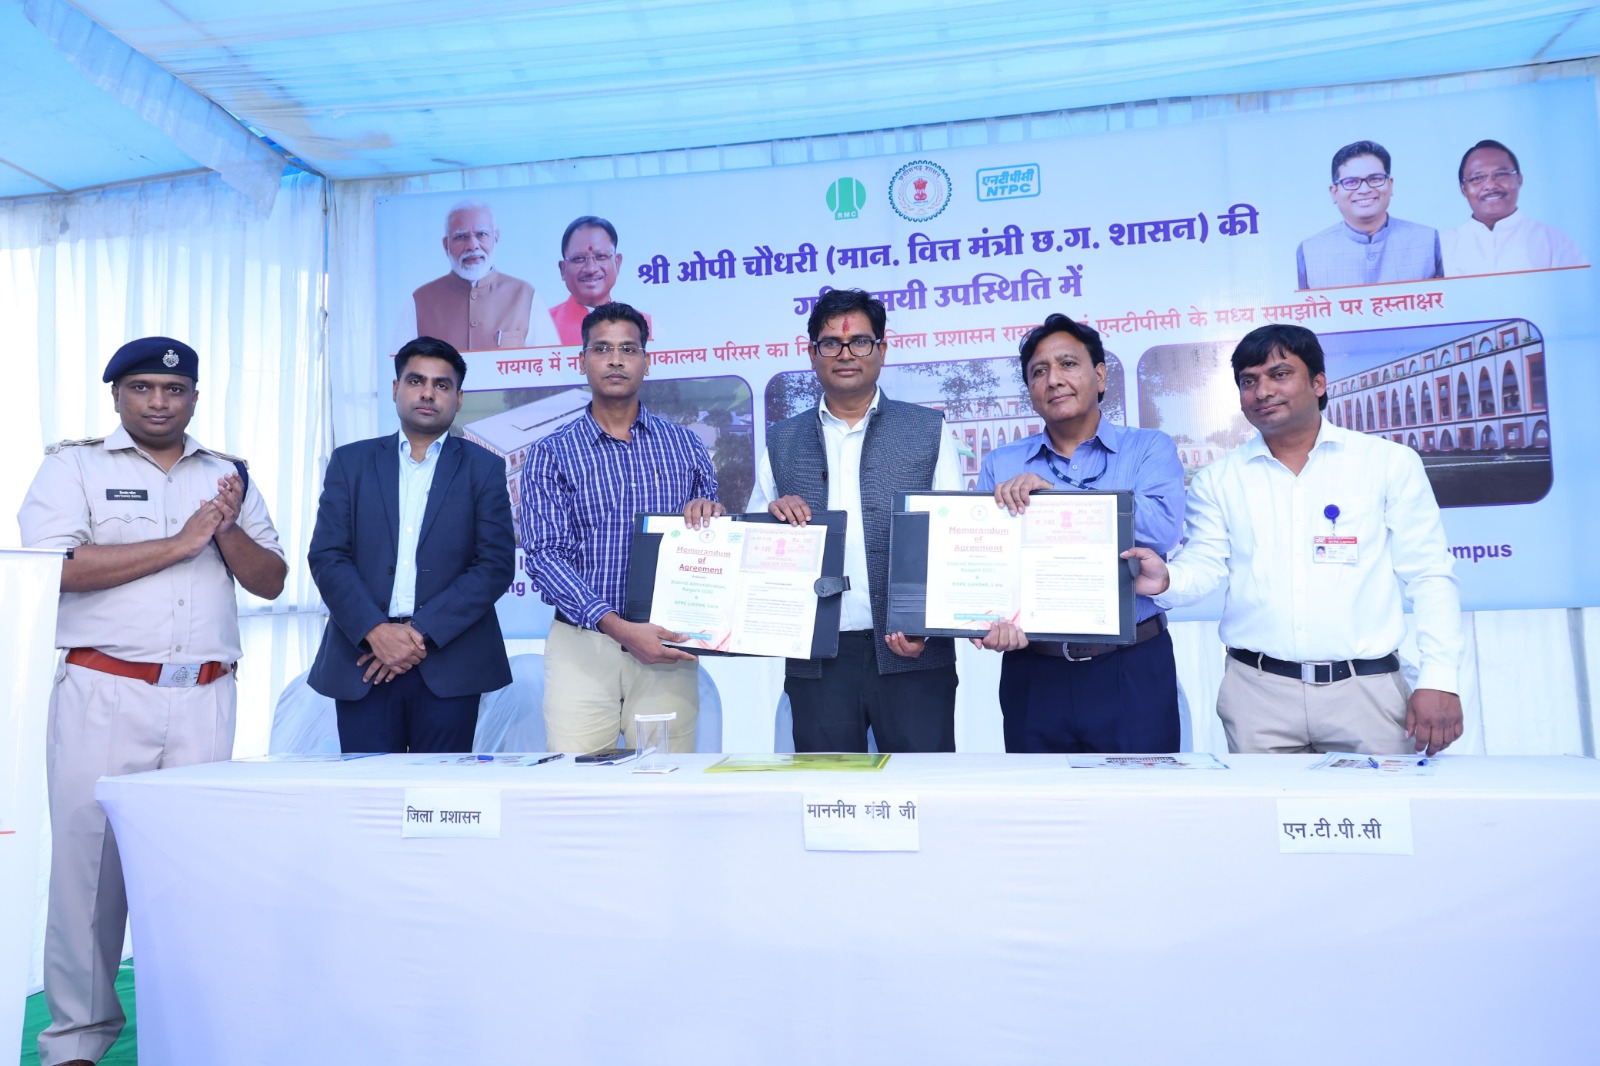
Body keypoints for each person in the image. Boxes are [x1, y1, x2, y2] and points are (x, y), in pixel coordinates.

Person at [18, 336, 287, 1066]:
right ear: (116, 396)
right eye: (142, 388)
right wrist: (179, 541)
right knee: (90, 876)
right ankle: (75, 1043)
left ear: (194, 397)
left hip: (204, 694)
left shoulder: (228, 474)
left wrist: (225, 531)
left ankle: (189, 1036)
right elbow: (55, 569)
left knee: (193, 871)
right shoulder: (73, 466)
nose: (159, 402)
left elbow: (270, 581)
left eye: (174, 390)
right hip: (106, 690)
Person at [1124, 323, 1464, 757]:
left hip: (1367, 691)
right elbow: (1205, 564)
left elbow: (1430, 574)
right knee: (1264, 805)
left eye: (1280, 374)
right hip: (1257, 696)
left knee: (1382, 804)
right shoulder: (1219, 480)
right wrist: (1167, 580)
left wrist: (1440, 678)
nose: (1262, 391)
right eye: (1249, 381)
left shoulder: (1387, 463)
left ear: (1318, 383)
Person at [750, 288, 964, 753]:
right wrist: (772, 520)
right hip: (818, 659)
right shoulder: (782, 440)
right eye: (831, 343)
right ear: (812, 354)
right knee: (827, 788)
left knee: (923, 785)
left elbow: (956, 539)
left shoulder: (927, 430)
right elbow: (753, 545)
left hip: (914, 650)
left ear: (882, 350)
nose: (845, 354)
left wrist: (928, 626)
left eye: (860, 342)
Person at [975, 315, 1185, 753]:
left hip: (1131, 666)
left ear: (1100, 375)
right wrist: (984, 619)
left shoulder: (1149, 448)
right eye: (1039, 371)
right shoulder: (1002, 464)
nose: (1054, 379)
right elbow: (988, 563)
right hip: (1034, 670)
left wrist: (1053, 501)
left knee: (1143, 794)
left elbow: (1161, 530)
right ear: (1030, 390)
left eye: (1068, 364)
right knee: (1040, 795)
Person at [519, 302, 717, 753]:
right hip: (582, 646)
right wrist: (616, 625)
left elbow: (709, 526)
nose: (615, 360)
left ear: (646, 361)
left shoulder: (685, 446)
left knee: (665, 780)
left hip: (667, 645)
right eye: (602, 349)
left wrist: (711, 515)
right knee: (577, 780)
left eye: (628, 349)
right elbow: (545, 556)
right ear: (582, 360)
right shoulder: (551, 453)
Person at [307, 336, 515, 753]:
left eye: (442, 385)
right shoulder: (351, 462)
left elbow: (494, 565)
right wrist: (376, 632)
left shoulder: (483, 468)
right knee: (368, 786)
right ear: (395, 389)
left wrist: (417, 634)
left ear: (458, 399)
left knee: (440, 789)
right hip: (364, 658)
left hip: (450, 660)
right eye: (416, 380)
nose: (427, 393)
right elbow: (328, 556)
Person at [408, 200, 559, 352]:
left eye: (482, 234)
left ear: (496, 237)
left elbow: (549, 361)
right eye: (461, 236)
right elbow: (398, 362)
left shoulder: (525, 295)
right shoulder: (419, 300)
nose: (472, 245)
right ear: (446, 244)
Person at [1296, 140, 1442, 289]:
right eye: (1351, 182)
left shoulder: (1430, 240)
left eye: (1375, 179)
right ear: (1334, 192)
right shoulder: (1309, 252)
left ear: (1390, 185)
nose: (1364, 190)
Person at [1441, 139, 1586, 276]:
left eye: (1501, 174)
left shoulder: (1554, 242)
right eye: (1477, 178)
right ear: (1464, 189)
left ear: (1519, 179)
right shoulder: (1442, 247)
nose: (1490, 185)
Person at [548, 215, 650, 345]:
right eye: (579, 259)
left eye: (601, 256)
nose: (591, 269)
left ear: (617, 263)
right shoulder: (541, 327)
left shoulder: (648, 326)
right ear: (563, 269)